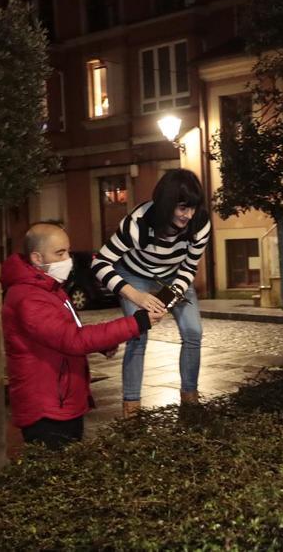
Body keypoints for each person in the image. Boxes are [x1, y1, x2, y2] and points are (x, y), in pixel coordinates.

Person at [1, 222, 159, 448]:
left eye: (68, 251)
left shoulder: (49, 288)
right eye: (60, 253)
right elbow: (72, 339)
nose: (68, 259)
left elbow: (69, 330)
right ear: (37, 258)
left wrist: (103, 344)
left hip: (62, 399)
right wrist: (136, 323)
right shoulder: (28, 297)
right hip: (46, 407)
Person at [91, 168, 211, 417]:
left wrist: (165, 301)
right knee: (138, 334)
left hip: (174, 275)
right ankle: (131, 406)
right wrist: (137, 297)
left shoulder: (200, 223)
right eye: (182, 208)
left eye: (192, 208)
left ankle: (190, 398)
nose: (188, 215)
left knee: (193, 332)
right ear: (166, 204)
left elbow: (189, 267)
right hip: (134, 275)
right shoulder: (137, 225)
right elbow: (100, 263)